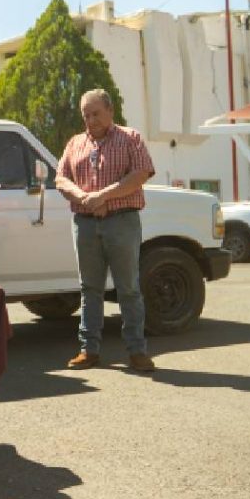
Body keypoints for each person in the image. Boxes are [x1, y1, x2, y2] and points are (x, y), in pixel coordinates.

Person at [55, 89, 156, 372]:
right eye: (86, 115)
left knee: (128, 288)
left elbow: (140, 174)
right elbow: (61, 178)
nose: (91, 120)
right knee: (90, 288)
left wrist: (103, 196)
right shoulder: (75, 143)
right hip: (85, 224)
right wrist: (84, 197)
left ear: (110, 111)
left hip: (122, 221)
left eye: (96, 113)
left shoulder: (130, 138)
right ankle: (89, 350)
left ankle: (137, 351)